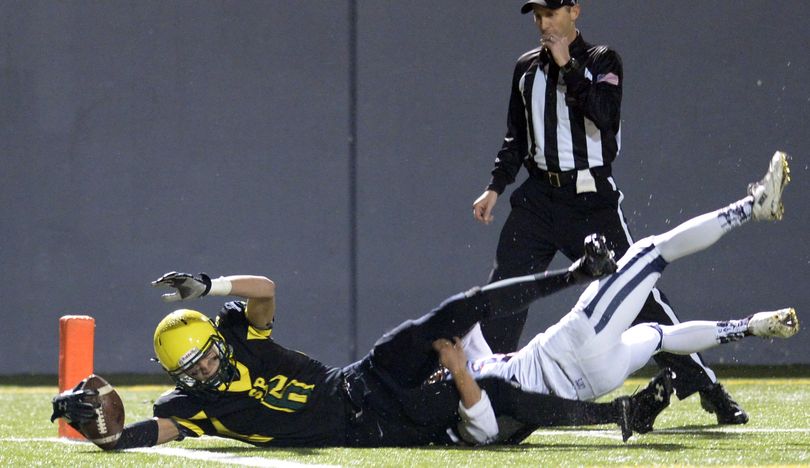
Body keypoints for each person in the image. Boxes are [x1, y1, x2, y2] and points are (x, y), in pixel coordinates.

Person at [50, 234, 662, 450]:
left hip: (359, 377)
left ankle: (576, 275)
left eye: (208, 347)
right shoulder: (193, 408)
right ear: (181, 378)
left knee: (445, 315)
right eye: (196, 364)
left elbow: (264, 288)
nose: (209, 361)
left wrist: (208, 285)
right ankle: (617, 414)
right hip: (370, 425)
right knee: (496, 395)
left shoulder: (236, 331)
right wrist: (104, 438)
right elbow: (150, 433)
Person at [470, 0, 748, 424]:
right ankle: (482, 389)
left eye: (551, 13)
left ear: (574, 11)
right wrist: (495, 186)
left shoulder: (602, 60)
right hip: (540, 201)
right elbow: (516, 137)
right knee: (504, 292)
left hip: (590, 203)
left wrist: (568, 67)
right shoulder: (525, 69)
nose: (544, 23)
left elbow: (604, 116)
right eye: (538, 16)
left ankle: (706, 385)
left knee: (640, 295)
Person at [454, 152, 798, 442]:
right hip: (573, 345)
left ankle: (750, 326)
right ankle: (752, 207)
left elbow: (467, 336)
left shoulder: (470, 387)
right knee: (654, 250)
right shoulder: (466, 401)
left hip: (598, 379)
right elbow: (493, 417)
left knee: (660, 335)